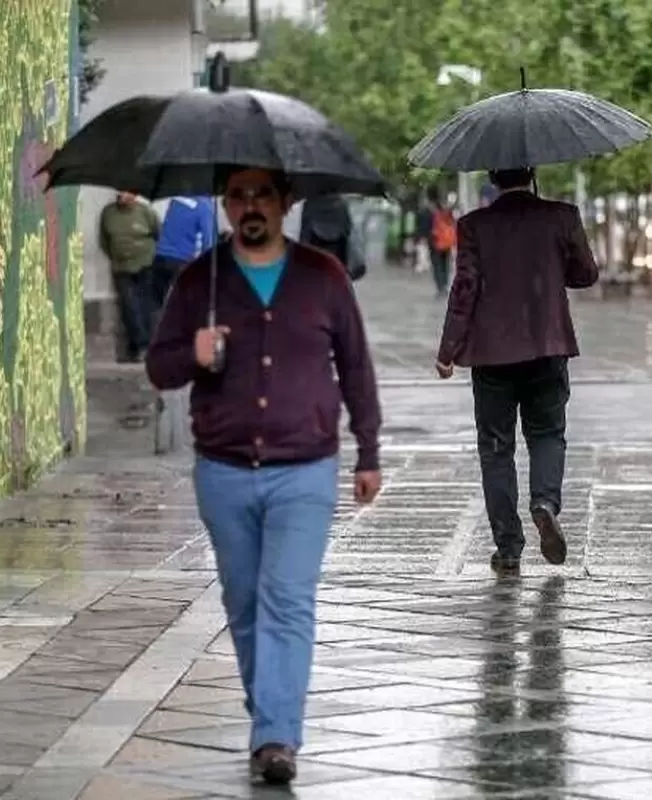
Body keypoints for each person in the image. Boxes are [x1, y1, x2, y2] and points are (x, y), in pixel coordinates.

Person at [145, 167, 382, 785]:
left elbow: (356, 364)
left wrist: (369, 451)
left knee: (287, 600)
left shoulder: (323, 278)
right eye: (238, 196)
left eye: (262, 195)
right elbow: (159, 367)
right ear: (225, 205)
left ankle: (276, 735)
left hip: (305, 469)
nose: (249, 207)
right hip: (223, 473)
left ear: (285, 203)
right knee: (245, 603)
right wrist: (190, 354)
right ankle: (269, 714)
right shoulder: (201, 281)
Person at [435, 167, 599, 576]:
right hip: (547, 347)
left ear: (493, 176)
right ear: (533, 173)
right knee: (547, 434)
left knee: (496, 450)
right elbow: (586, 274)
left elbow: (465, 289)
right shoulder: (561, 216)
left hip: (492, 354)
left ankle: (508, 547)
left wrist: (448, 349)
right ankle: (544, 502)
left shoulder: (474, 225)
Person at [98, 191, 159, 361]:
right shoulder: (108, 213)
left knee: (146, 304)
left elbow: (157, 232)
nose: (124, 196)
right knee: (129, 307)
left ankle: (148, 345)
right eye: (121, 193)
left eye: (128, 192)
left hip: (145, 264)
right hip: (121, 267)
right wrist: (116, 256)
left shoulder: (145, 211)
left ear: (135, 195)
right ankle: (139, 345)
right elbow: (104, 240)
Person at [150, 194, 218, 310]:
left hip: (160, 257)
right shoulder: (204, 205)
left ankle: (157, 326)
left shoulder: (175, 200)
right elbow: (209, 240)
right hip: (183, 260)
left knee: (157, 303)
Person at [299, 194, 366, 281]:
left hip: (315, 252)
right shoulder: (342, 204)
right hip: (336, 254)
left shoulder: (309, 203)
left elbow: (304, 231)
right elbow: (347, 230)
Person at [427, 189, 457, 296]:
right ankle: (444, 286)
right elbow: (453, 225)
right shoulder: (448, 212)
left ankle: (440, 288)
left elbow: (429, 229)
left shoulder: (432, 213)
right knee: (445, 265)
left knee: (437, 266)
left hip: (436, 243)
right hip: (446, 242)